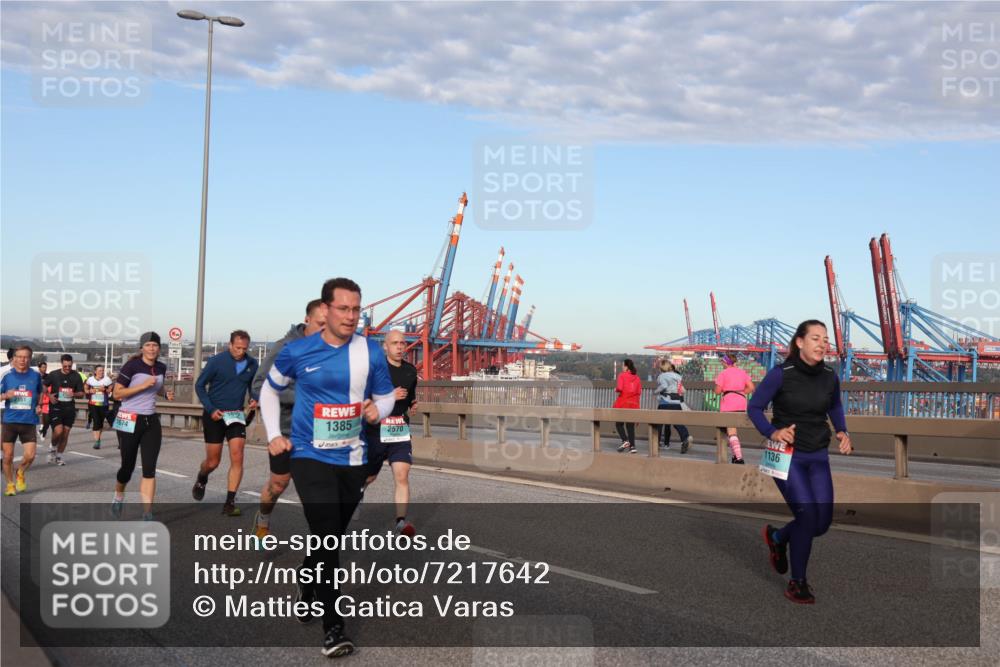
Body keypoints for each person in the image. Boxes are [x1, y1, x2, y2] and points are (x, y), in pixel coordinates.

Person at [260, 277, 395, 658]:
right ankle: (334, 628)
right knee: (327, 538)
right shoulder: (298, 350)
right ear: (326, 309)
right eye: (344, 309)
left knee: (330, 535)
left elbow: (386, 396)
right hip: (308, 455)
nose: (351, 316)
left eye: (357, 309)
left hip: (353, 458)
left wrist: (378, 409)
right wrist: (274, 434)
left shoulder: (370, 351)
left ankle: (307, 579)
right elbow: (269, 389)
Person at [748, 320, 852, 605]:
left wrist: (842, 431)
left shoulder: (830, 376)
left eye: (825, 339)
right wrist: (773, 432)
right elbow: (754, 407)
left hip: (817, 454)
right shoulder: (781, 374)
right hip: (785, 454)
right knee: (806, 516)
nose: (822, 344)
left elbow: (835, 405)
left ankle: (778, 538)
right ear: (799, 342)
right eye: (815, 338)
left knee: (821, 523)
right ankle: (798, 582)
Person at [249, 299, 327, 539]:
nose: (325, 330)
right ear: (307, 320)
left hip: (319, 431)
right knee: (279, 483)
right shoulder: (285, 347)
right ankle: (263, 519)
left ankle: (321, 547)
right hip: (286, 430)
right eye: (320, 324)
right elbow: (259, 386)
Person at [192, 330, 259, 516]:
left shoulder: (252, 364)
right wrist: (211, 409)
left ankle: (229, 502)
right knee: (213, 462)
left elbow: (253, 387)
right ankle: (202, 477)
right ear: (230, 345)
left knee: (238, 455)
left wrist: (254, 398)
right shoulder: (216, 361)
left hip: (236, 416)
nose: (241, 352)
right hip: (215, 415)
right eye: (237, 348)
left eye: (244, 349)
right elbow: (199, 385)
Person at [110, 332, 175, 520]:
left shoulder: (161, 367)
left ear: (159, 348)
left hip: (151, 421)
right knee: (127, 467)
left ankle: (147, 513)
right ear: (142, 348)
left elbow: (157, 386)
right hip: (128, 418)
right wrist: (142, 386)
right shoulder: (132, 366)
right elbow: (117, 394)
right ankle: (118, 495)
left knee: (149, 469)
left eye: (155, 345)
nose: (152, 348)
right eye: (148, 345)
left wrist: (164, 394)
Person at [361, 329, 419, 536]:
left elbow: (410, 396)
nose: (400, 347)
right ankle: (357, 492)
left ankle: (400, 522)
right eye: (395, 343)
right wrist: (389, 396)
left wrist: (412, 404)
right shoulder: (376, 369)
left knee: (402, 474)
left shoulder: (410, 371)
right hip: (376, 431)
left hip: (399, 430)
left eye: (403, 343)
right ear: (385, 346)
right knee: (369, 477)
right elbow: (364, 399)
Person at [1, 346, 42, 496]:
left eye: (25, 357)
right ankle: (10, 485)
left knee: (30, 455)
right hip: (10, 421)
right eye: (19, 356)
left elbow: (39, 392)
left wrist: (39, 405)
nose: (22, 360)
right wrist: (6, 396)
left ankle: (20, 471)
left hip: (29, 420)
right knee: (7, 456)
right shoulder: (6, 375)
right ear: (14, 358)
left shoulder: (36, 375)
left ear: (30, 358)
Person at [44, 354, 84, 466]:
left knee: (65, 434)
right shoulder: (54, 374)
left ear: (72, 364)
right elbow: (43, 386)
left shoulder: (76, 376)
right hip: (56, 406)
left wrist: (74, 394)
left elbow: (81, 393)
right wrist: (49, 396)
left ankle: (59, 456)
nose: (67, 368)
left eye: (69, 366)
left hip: (69, 408)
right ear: (61, 363)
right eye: (65, 366)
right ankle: (52, 448)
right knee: (58, 431)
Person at [714, 353, 754, 464]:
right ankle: (735, 456)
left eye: (722, 362)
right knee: (732, 430)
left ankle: (738, 458)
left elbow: (717, 391)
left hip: (729, 403)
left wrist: (725, 390)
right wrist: (740, 392)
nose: (722, 363)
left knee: (731, 431)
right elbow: (751, 387)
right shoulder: (742, 372)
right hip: (741, 402)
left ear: (726, 362)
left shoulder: (723, 373)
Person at [655, 359, 693, 454]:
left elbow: (663, 386)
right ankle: (685, 438)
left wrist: (655, 391)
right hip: (676, 403)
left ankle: (656, 443)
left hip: (665, 402)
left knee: (658, 423)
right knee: (677, 423)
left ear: (661, 368)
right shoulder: (677, 376)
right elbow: (681, 390)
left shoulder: (661, 376)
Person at [613, 358, 642, 453]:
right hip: (633, 404)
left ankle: (625, 441)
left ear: (626, 367)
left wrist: (616, 389)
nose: (622, 367)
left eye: (623, 365)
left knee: (619, 423)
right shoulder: (637, 377)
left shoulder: (622, 375)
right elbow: (639, 392)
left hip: (623, 403)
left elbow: (620, 388)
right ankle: (632, 447)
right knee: (630, 426)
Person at [85, 365, 114, 449]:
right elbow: (85, 389)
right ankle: (97, 442)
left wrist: (105, 390)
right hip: (93, 404)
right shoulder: (90, 379)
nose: (101, 372)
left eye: (102, 370)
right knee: (96, 421)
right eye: (99, 370)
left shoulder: (107, 380)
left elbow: (111, 390)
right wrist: (90, 391)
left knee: (100, 423)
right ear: (95, 371)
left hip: (103, 405)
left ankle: (98, 439)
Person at [36, 361, 50, 443]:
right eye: (43, 367)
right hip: (37, 397)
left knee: (45, 416)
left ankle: (42, 429)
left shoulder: (48, 376)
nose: (45, 369)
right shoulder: (36, 376)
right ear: (39, 368)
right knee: (39, 413)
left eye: (45, 367)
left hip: (45, 398)